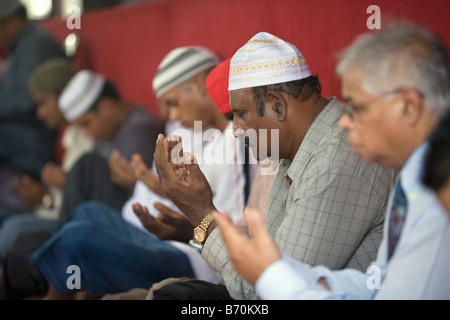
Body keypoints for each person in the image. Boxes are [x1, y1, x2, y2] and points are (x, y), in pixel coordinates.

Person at [150, 31, 396, 300]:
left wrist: (201, 213)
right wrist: (200, 220)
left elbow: (267, 290)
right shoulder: (299, 145)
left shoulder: (336, 160)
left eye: (241, 114)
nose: (237, 130)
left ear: (276, 105)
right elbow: (267, 259)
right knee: (172, 293)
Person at [213, 21, 450, 299]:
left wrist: (268, 274)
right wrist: (322, 283)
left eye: (357, 108)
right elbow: (381, 283)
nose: (345, 122)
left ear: (408, 106)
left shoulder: (438, 191)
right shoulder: (415, 174)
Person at [27, 47, 250, 300]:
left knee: (77, 239)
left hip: (195, 258)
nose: (170, 115)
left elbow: (230, 228)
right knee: (88, 212)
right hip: (161, 237)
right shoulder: (193, 132)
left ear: (200, 86)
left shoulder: (237, 144)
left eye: (173, 103)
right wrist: (167, 195)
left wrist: (190, 228)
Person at [0, 68, 164, 299]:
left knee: (88, 164)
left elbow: (138, 197)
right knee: (21, 243)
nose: (87, 133)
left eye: (87, 123)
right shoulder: (108, 133)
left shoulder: (139, 131)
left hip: (131, 228)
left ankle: (61, 263)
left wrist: (127, 181)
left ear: (105, 107)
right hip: (92, 218)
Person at [0, 58, 93, 260]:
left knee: (11, 232)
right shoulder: (71, 135)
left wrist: (44, 198)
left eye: (43, 103)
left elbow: (81, 211)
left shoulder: (89, 133)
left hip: (73, 226)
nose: (40, 114)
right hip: (53, 213)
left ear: (63, 95)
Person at [0, 0, 66, 218]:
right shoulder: (22, 45)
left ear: (11, 20)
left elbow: (31, 100)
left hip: (32, 142)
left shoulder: (36, 43)